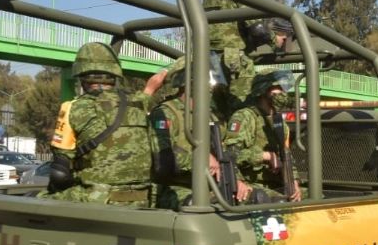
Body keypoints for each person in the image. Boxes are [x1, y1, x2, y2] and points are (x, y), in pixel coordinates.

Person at [44, 42, 167, 207]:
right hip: (144, 198)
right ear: (114, 75)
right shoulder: (138, 103)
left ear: (82, 78)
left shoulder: (72, 107)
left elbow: (59, 173)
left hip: (98, 199)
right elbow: (146, 94)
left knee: (37, 198)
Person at [149, 64, 250, 209]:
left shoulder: (210, 115)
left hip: (208, 185)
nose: (210, 86)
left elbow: (223, 153)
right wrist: (202, 161)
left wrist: (236, 179)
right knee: (202, 206)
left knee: (252, 198)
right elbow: (164, 161)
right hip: (175, 187)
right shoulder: (165, 113)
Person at [202, 0, 273, 111]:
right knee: (243, 110)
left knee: (219, 113)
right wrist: (275, 40)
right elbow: (258, 29)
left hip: (211, 60)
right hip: (234, 60)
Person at [224, 70, 302, 202]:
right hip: (251, 184)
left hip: (275, 184)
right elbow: (230, 155)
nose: (283, 93)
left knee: (314, 196)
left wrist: (293, 181)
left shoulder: (278, 122)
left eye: (284, 89)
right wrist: (264, 156)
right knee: (279, 200)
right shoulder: (245, 117)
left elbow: (286, 155)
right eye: (278, 89)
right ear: (263, 90)